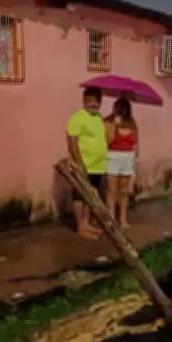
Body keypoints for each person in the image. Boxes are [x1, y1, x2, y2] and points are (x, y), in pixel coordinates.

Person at [66, 87, 108, 240]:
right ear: (84, 100)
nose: (94, 104)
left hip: (97, 165)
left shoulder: (98, 117)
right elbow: (72, 142)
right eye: (90, 100)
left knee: (91, 195)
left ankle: (86, 223)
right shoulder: (77, 118)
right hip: (84, 164)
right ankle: (80, 227)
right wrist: (79, 163)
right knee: (80, 195)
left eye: (97, 101)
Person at [105, 98, 139, 229]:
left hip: (128, 158)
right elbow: (108, 140)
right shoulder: (108, 121)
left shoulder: (132, 123)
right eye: (119, 107)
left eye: (124, 108)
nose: (121, 110)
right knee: (112, 190)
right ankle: (111, 219)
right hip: (113, 156)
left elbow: (136, 144)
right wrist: (115, 125)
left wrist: (135, 162)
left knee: (124, 191)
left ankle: (123, 219)